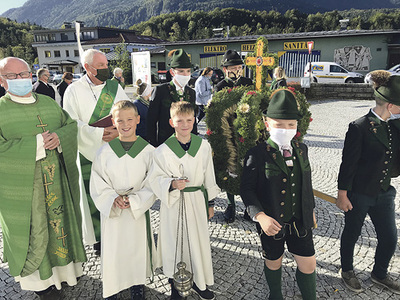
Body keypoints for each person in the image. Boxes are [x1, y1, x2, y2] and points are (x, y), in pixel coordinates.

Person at [0, 57, 86, 300]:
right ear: (2, 81)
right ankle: (40, 284)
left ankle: (66, 273)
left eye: (24, 73)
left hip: (57, 181)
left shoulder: (49, 103)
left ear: (32, 74)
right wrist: (37, 143)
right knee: (35, 230)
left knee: (61, 225)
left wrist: (59, 137)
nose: (20, 79)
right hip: (26, 190)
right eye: (12, 76)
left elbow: (70, 126)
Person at [241, 89, 317, 300]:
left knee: (309, 263)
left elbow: (306, 183)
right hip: (271, 221)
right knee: (274, 262)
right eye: (279, 124)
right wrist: (260, 216)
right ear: (267, 124)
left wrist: (310, 209)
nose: (286, 129)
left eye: (291, 125)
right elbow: (246, 189)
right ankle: (275, 295)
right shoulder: (256, 154)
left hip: (300, 220)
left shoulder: (302, 150)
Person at [336, 70, 400, 294]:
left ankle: (379, 274)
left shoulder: (395, 127)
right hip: (359, 192)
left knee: (390, 237)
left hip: (384, 193)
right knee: (352, 233)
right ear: (391, 106)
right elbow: (348, 164)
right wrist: (342, 194)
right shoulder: (359, 127)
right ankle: (347, 271)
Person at [148, 101, 220, 300]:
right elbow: (154, 179)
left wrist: (211, 203)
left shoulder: (203, 146)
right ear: (172, 122)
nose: (185, 124)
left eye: (189, 120)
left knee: (197, 242)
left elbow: (209, 174)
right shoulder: (162, 150)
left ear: (194, 121)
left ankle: (199, 282)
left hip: (197, 200)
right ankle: (175, 286)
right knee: (175, 243)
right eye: (180, 121)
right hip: (173, 203)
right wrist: (171, 184)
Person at [63, 49, 130, 254]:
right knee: (93, 195)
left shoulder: (114, 86)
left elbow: (126, 109)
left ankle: (121, 231)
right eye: (100, 66)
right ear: (87, 68)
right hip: (88, 151)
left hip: (115, 147)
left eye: (106, 65)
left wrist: (119, 130)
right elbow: (70, 123)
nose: (105, 69)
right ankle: (99, 239)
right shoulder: (73, 90)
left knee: (117, 189)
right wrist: (98, 134)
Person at [90, 101, 157, 300]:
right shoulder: (104, 152)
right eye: (120, 120)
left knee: (136, 248)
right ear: (113, 122)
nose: (125, 124)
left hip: (136, 208)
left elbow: (152, 182)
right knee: (114, 248)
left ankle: (137, 283)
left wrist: (136, 200)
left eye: (130, 119)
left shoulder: (149, 151)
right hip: (114, 210)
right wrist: (112, 198)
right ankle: (113, 284)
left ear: (137, 120)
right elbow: (97, 181)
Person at [214, 49, 254, 223]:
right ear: (225, 69)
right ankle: (230, 204)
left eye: (238, 67)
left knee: (248, 170)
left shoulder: (248, 82)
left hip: (246, 132)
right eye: (232, 67)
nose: (236, 70)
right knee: (231, 169)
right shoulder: (220, 86)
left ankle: (248, 205)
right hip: (228, 133)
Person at [146, 49, 197, 147]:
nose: (186, 75)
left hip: (186, 143)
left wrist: (193, 143)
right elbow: (151, 121)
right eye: (181, 71)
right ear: (172, 72)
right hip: (165, 144)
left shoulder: (191, 93)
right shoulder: (161, 90)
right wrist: (153, 144)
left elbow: (193, 121)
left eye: (188, 71)